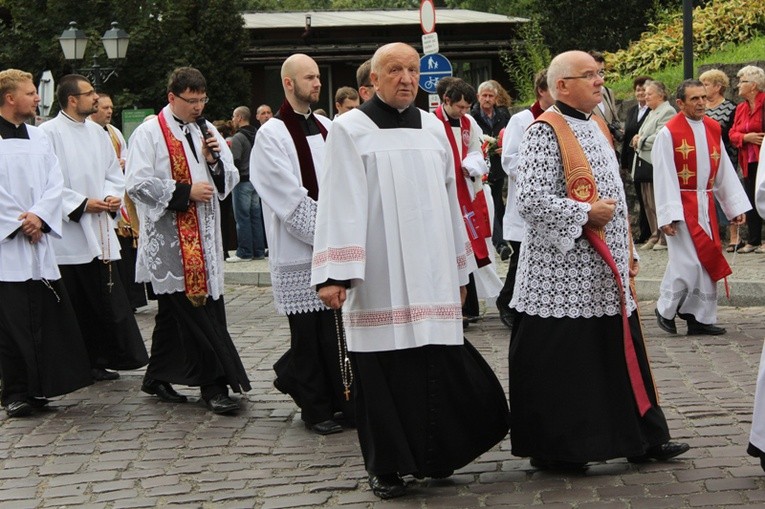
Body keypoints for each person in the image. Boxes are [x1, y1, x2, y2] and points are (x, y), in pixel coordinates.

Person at [311, 42, 509, 500]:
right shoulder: (349, 128)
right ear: (374, 80)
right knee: (382, 373)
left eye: (413, 70)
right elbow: (340, 202)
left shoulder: (432, 129)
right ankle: (387, 466)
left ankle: (436, 455)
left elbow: (449, 203)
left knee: (433, 368)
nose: (406, 78)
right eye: (395, 70)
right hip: (378, 274)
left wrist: (461, 270)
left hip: (432, 271)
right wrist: (335, 273)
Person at [508, 50, 689, 470]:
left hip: (606, 267)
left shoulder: (598, 125)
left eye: (600, 74)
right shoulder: (544, 131)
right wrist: (584, 214)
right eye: (588, 75)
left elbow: (616, 194)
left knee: (619, 352)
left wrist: (626, 248)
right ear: (562, 85)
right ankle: (562, 447)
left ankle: (642, 436)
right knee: (569, 363)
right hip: (561, 270)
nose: (599, 81)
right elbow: (530, 201)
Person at [126, 66, 251, 415]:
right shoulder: (150, 132)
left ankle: (157, 375)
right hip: (171, 243)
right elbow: (136, 182)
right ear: (172, 97)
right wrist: (184, 191)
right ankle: (213, 385)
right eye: (191, 101)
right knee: (198, 315)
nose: (198, 107)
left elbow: (230, 177)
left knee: (172, 315)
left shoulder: (208, 129)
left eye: (202, 100)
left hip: (204, 239)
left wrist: (213, 162)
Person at [250, 54, 352, 436]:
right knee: (308, 336)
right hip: (298, 247)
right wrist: (328, 232)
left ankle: (344, 400)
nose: (317, 83)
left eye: (317, 77)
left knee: (337, 333)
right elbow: (286, 197)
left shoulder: (328, 125)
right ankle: (316, 408)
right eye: (309, 77)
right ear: (288, 84)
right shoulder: (271, 134)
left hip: (332, 244)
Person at [39, 75, 148, 382]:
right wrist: (83, 204)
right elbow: (47, 183)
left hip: (99, 226)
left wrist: (112, 195)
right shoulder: (47, 133)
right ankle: (77, 363)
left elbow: (113, 172)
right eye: (89, 95)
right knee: (74, 302)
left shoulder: (98, 133)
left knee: (100, 299)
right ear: (72, 100)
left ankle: (100, 358)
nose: (96, 100)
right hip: (69, 233)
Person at [0, 69, 92, 418]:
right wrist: (21, 222)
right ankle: (15, 392)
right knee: (11, 324)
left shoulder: (39, 138)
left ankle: (41, 387)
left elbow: (56, 181)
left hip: (38, 245)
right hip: (7, 248)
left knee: (42, 318)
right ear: (10, 99)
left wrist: (40, 216)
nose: (37, 98)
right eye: (30, 93)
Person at [652, 80, 749, 336]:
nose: (701, 103)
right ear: (680, 103)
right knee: (688, 263)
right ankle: (665, 307)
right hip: (682, 205)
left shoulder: (713, 128)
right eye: (694, 99)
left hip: (705, 202)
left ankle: (699, 316)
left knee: (707, 261)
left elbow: (724, 171)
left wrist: (733, 206)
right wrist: (668, 214)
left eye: (703, 98)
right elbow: (663, 175)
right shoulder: (668, 133)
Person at [435, 78, 502, 327]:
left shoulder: (468, 123)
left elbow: (476, 151)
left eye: (466, 107)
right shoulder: (432, 123)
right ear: (446, 101)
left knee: (469, 248)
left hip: (466, 191)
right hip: (445, 192)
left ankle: (468, 306)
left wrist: (473, 164)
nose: (463, 112)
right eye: (459, 107)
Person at [497, 68, 554, 330]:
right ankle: (507, 302)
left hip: (554, 203)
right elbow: (509, 160)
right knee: (521, 258)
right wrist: (545, 173)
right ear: (542, 91)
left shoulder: (564, 118)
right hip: (527, 203)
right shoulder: (522, 120)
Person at [88, 91, 148, 310]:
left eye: (111, 107)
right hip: (101, 200)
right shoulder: (88, 133)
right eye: (105, 108)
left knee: (126, 251)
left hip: (120, 199)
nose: (110, 111)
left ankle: (133, 299)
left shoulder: (114, 132)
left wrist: (124, 164)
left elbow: (127, 156)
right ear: (94, 109)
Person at [700, 69, 741, 252]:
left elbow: (730, 133)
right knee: (707, 197)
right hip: (702, 158)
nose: (703, 88)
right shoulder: (700, 108)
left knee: (726, 194)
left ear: (718, 87)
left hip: (725, 157)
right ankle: (712, 234)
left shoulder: (730, 107)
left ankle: (734, 236)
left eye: (706, 84)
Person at [633, 80, 675, 251]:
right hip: (644, 162)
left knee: (657, 201)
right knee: (648, 202)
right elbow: (642, 133)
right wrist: (637, 138)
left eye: (649, 93)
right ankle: (654, 233)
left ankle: (664, 237)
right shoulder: (652, 112)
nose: (646, 96)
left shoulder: (667, 111)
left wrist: (640, 140)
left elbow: (661, 136)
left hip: (654, 163)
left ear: (661, 94)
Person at [470, 80, 512, 253]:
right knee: (491, 202)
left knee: (498, 202)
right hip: (482, 167)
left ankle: (501, 237)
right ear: (478, 97)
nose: (487, 99)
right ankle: (499, 241)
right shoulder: (472, 117)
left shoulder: (503, 115)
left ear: (495, 98)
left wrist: (506, 147)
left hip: (498, 164)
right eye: (484, 96)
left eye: (490, 96)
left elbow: (510, 134)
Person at [729, 65, 765, 254]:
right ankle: (753, 240)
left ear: (753, 85)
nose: (737, 85)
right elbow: (732, 133)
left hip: (763, 158)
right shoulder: (741, 108)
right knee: (750, 197)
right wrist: (745, 138)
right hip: (748, 159)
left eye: (741, 81)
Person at [227, 106, 265, 262]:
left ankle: (245, 252)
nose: (233, 120)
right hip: (256, 181)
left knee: (242, 218)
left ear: (240, 117)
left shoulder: (238, 138)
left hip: (242, 181)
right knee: (256, 217)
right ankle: (259, 250)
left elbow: (234, 161)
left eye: (234, 117)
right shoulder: (257, 134)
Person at [620, 76, 653, 245]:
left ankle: (650, 232)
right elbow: (627, 138)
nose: (641, 93)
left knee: (650, 198)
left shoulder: (653, 110)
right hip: (633, 159)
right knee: (641, 197)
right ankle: (644, 232)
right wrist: (624, 162)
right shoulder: (632, 111)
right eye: (638, 90)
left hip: (647, 159)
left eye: (644, 90)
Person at [588, 51, 623, 152]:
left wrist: (617, 130)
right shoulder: (581, 96)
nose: (600, 78)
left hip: (610, 147)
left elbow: (614, 117)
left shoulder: (607, 92)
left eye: (601, 72)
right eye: (594, 73)